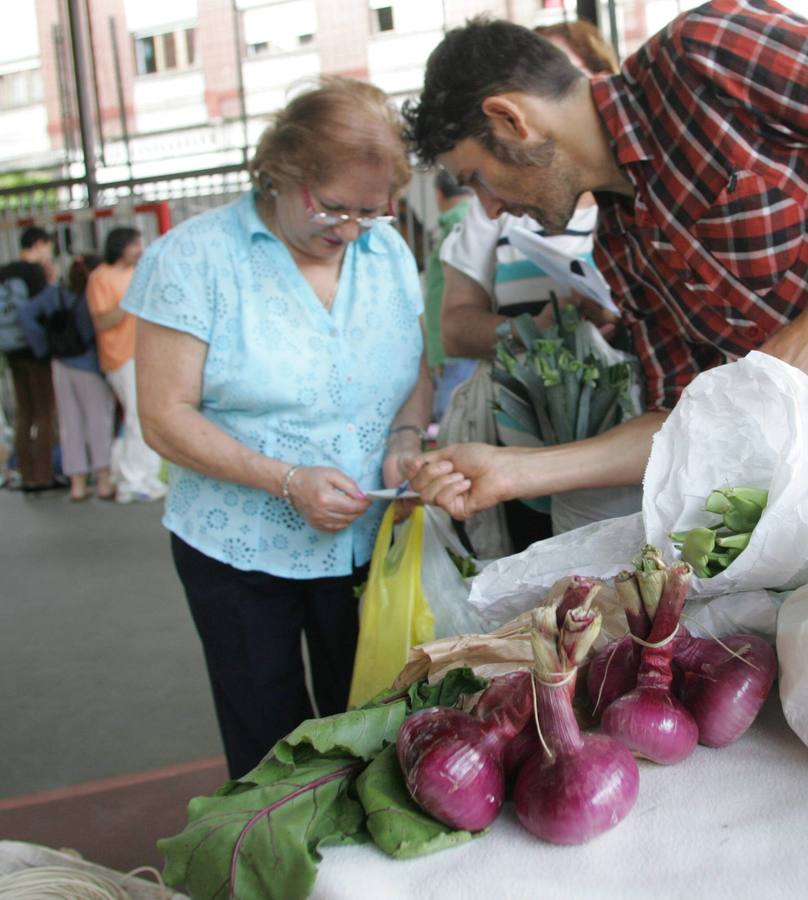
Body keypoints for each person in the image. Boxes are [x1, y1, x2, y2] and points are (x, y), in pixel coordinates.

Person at [403, 0, 808, 529]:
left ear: (512, 121)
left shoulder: (704, 56)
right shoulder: (623, 247)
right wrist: (515, 470)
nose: (489, 210)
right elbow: (689, 416)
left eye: (478, 178)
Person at [124, 78, 430, 779]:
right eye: (331, 207)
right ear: (281, 171)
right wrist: (284, 480)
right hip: (239, 546)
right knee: (270, 747)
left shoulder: (385, 255)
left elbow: (415, 366)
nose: (349, 229)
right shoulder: (196, 258)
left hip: (363, 540)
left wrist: (405, 440)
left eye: (369, 212)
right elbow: (163, 417)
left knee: (373, 733)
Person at [436, 17, 624, 551]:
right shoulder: (495, 208)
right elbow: (453, 326)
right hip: (526, 445)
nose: (489, 205)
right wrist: (532, 331)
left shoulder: (632, 209)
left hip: (633, 446)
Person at [19, 254, 115, 501]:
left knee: (69, 423)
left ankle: (77, 484)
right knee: (98, 420)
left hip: (59, 364)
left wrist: (44, 346)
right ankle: (103, 480)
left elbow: (26, 315)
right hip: (90, 364)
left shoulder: (55, 294)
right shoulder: (92, 295)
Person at [86, 227, 166, 503]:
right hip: (120, 357)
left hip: (144, 354)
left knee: (147, 417)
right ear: (120, 246)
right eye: (135, 244)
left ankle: (145, 476)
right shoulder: (100, 278)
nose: (140, 249)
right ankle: (131, 481)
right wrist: (131, 297)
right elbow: (102, 321)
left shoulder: (136, 274)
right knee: (135, 417)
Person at [0, 226, 58, 493]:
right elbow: (44, 311)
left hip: (11, 351)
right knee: (44, 411)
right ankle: (44, 475)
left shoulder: (5, 271)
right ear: (38, 244)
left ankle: (25, 474)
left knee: (24, 412)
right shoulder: (34, 273)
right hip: (35, 353)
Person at [424, 169, 477, 418]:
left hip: (455, 341)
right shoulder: (471, 219)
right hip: (461, 338)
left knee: (452, 415)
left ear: (437, 194)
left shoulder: (457, 222)